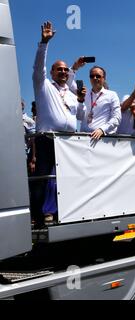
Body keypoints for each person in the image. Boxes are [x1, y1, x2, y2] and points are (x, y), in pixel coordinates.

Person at [31, 21, 78, 225]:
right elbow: (38, 67)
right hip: (47, 140)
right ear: (51, 73)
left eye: (66, 70)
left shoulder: (71, 94)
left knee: (66, 181)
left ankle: (62, 216)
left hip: (68, 142)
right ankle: (38, 218)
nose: (63, 72)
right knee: (43, 180)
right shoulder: (43, 86)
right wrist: (44, 43)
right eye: (59, 69)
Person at [76, 66, 122, 140]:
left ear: (104, 78)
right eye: (92, 76)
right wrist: (80, 100)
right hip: (84, 138)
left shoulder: (112, 95)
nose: (95, 78)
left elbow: (117, 118)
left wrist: (102, 129)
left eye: (98, 76)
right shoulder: (84, 95)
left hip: (102, 138)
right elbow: (79, 117)